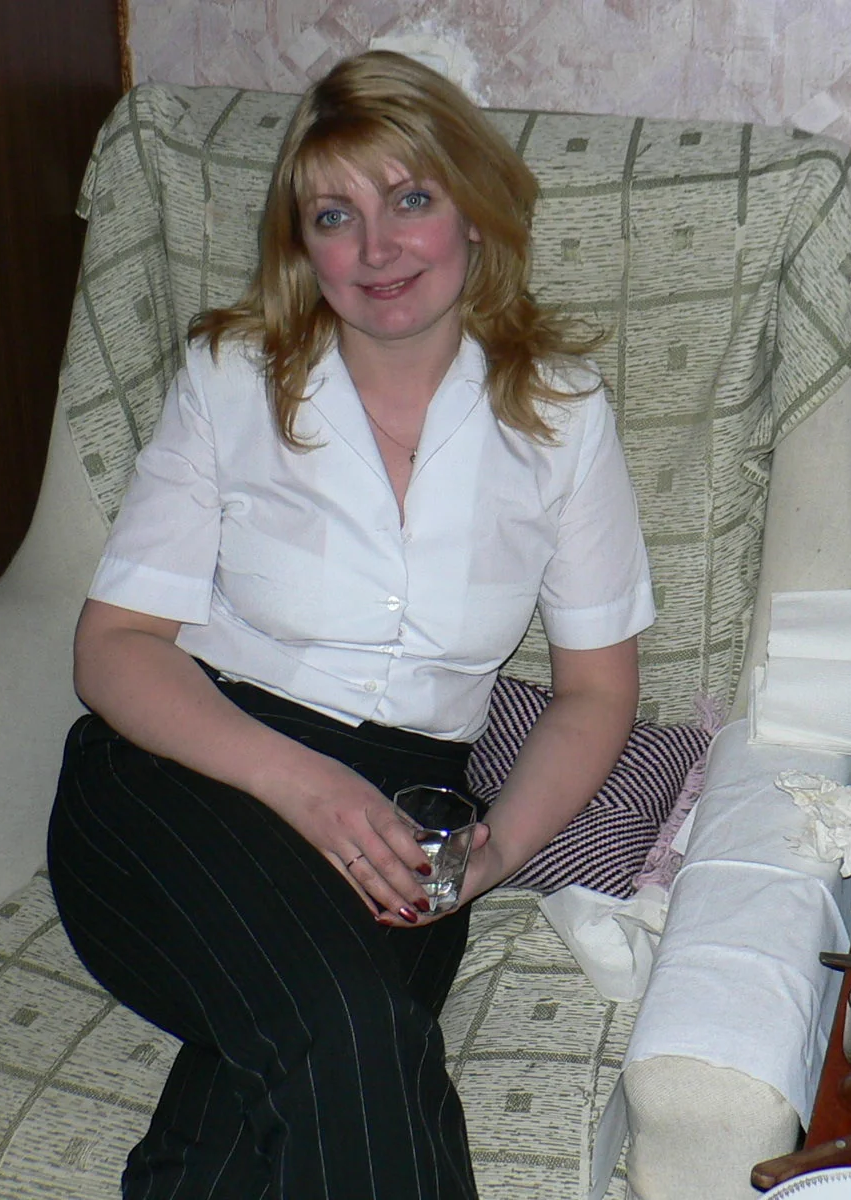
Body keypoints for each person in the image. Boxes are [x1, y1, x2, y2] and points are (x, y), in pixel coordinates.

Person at [46, 49, 653, 1200]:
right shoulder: (232, 375)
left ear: (472, 210)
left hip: (405, 821)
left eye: (409, 199)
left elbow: (596, 690)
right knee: (358, 1028)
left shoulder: (560, 414)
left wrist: (492, 853)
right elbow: (113, 649)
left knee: (257, 1124)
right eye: (335, 216)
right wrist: (308, 788)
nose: (376, 250)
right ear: (302, 243)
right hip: (186, 775)